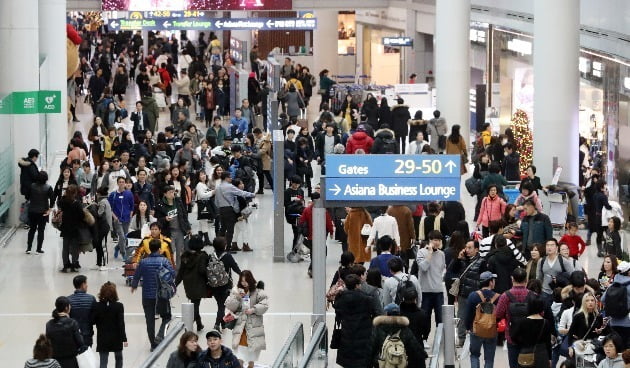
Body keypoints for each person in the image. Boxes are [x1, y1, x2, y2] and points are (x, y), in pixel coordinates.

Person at [131, 239, 176, 351]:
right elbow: (173, 274)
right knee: (166, 317)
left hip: (147, 295)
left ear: (149, 249)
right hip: (162, 295)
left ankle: (152, 344)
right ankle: (160, 336)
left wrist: (134, 285)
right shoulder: (165, 261)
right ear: (160, 249)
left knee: (149, 320)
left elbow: (136, 275)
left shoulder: (143, 262)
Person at [333, 274, 379, 368]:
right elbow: (375, 313)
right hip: (364, 335)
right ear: (357, 285)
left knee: (348, 361)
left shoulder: (341, 298)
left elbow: (338, 312)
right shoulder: (367, 299)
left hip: (346, 334)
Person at [225, 270, 268, 368]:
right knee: (239, 354)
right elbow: (231, 306)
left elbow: (264, 305)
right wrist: (237, 297)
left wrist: (253, 310)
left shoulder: (258, 291)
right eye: (242, 281)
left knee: (252, 354)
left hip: (253, 325)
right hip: (241, 325)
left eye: (246, 281)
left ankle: (250, 365)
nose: (244, 283)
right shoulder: (236, 290)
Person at [449, 240, 487, 346]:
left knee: (476, 317)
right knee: (461, 316)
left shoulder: (482, 262)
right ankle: (461, 338)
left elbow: (484, 279)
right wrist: (458, 258)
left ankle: (476, 338)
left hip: (475, 295)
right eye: (466, 247)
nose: (467, 250)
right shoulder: (462, 260)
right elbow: (451, 270)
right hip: (463, 293)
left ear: (476, 249)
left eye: (470, 248)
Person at [370, 303, 424, 368]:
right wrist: (423, 355)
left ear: (386, 314)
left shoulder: (379, 328)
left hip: (383, 364)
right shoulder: (404, 329)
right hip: (401, 364)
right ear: (399, 314)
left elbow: (371, 348)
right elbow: (415, 348)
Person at [465, 271, 499, 368]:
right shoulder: (498, 297)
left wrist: (468, 327)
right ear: (491, 282)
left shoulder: (473, 295)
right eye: (493, 280)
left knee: (475, 355)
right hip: (491, 330)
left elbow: (468, 314)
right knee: (489, 358)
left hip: (476, 330)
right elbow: (500, 315)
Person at [215, 172, 255, 252]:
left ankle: (218, 247)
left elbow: (216, 202)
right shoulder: (229, 186)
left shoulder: (218, 187)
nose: (231, 179)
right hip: (229, 210)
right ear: (226, 178)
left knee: (222, 229)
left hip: (221, 210)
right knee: (230, 230)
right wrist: (252, 194)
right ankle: (228, 248)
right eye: (230, 177)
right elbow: (241, 192)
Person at [175, 235, 209, 332]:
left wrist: (175, 284)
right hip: (199, 283)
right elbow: (203, 270)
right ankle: (190, 323)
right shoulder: (203, 256)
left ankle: (199, 323)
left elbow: (181, 272)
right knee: (195, 305)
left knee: (194, 304)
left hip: (188, 284)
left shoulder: (185, 256)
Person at [155, 185, 192, 268]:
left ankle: (178, 269)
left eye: (173, 192)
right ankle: (169, 268)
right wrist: (165, 218)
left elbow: (184, 215)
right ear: (165, 194)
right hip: (169, 231)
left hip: (180, 230)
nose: (172, 194)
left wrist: (188, 227)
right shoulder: (160, 204)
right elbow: (158, 219)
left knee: (180, 251)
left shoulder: (178, 201)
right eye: (170, 192)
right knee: (170, 251)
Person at [210, 237, 242, 331]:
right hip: (225, 284)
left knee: (220, 303)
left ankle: (223, 324)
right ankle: (217, 324)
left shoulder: (211, 256)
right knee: (221, 306)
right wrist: (242, 275)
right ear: (224, 246)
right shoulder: (227, 256)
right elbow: (235, 267)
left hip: (214, 285)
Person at [511, 297, 553, 368]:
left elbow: (513, 337)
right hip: (542, 354)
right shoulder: (546, 323)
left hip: (526, 352)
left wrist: (522, 343)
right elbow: (548, 342)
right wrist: (549, 358)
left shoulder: (522, 321)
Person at [93, 282, 127, 368]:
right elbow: (121, 324)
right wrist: (124, 339)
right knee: (119, 358)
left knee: (103, 361)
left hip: (102, 337)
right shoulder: (119, 306)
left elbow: (92, 321)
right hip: (116, 337)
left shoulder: (96, 306)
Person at [46, 296, 85, 368]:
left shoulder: (49, 324)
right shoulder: (72, 323)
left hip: (54, 362)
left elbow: (48, 343)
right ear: (67, 308)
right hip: (70, 361)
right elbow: (80, 342)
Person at [416, 230, 446, 325]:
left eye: (439, 240)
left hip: (438, 291)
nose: (437, 242)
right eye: (435, 240)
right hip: (425, 291)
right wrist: (429, 253)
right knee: (425, 320)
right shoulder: (421, 252)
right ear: (430, 240)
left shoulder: (441, 254)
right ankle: (424, 338)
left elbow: (441, 270)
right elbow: (424, 267)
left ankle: (440, 339)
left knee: (440, 320)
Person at [567, 292, 610, 358]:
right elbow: (570, 333)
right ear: (584, 302)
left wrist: (600, 331)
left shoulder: (598, 316)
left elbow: (602, 333)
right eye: (587, 300)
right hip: (582, 346)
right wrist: (570, 347)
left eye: (592, 300)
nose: (590, 302)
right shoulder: (578, 316)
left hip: (594, 347)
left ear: (595, 302)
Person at [601, 261, 630, 349]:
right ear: (628, 272)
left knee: (618, 349)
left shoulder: (612, 285)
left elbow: (602, 299)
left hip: (613, 323)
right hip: (628, 323)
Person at [537, 238, 575, 303]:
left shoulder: (563, 261)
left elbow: (573, 275)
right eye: (547, 245)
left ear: (557, 248)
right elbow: (539, 278)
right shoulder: (541, 261)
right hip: (545, 293)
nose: (549, 247)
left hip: (560, 293)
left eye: (552, 245)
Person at [58, 185, 84, 272]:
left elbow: (59, 205)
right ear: (75, 193)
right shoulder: (77, 203)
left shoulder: (63, 202)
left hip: (65, 227)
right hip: (75, 228)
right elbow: (82, 215)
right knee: (75, 247)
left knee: (65, 247)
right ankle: (74, 264)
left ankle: (66, 265)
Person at [26, 171, 54, 254]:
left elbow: (27, 196)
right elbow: (52, 199)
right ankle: (38, 248)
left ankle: (29, 248)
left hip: (32, 211)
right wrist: (50, 209)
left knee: (32, 229)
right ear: (46, 178)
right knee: (41, 230)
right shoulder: (48, 187)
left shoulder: (32, 186)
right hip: (43, 212)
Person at [108, 176, 135, 260]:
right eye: (120, 182)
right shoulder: (113, 195)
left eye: (123, 182)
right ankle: (123, 253)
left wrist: (130, 214)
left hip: (127, 218)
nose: (121, 183)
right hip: (117, 219)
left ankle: (117, 247)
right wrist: (115, 217)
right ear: (117, 183)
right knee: (122, 236)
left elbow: (132, 205)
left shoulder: (129, 193)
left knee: (125, 237)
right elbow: (110, 208)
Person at [67, 275, 96, 348]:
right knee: (87, 356)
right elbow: (94, 318)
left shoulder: (68, 300)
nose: (87, 285)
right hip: (87, 333)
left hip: (72, 334)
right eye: (86, 283)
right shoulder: (91, 299)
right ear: (83, 285)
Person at [387, 205, 416, 272]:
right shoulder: (406, 210)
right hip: (405, 236)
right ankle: (405, 271)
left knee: (394, 254)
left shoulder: (389, 210)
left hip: (393, 236)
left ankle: (396, 270)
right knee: (405, 255)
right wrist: (413, 237)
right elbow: (410, 225)